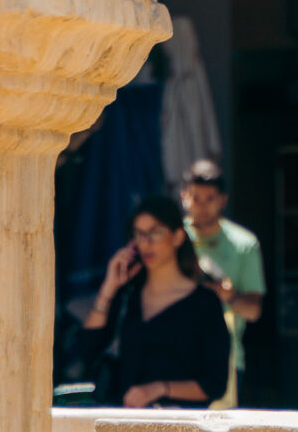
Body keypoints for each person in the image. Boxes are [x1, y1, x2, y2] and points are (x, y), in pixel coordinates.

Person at [79, 192, 232, 409]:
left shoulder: (205, 304)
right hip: (120, 425)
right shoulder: (126, 296)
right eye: (140, 234)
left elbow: (215, 384)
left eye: (156, 233)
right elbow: (86, 351)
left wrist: (159, 388)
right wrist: (109, 287)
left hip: (179, 431)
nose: (147, 242)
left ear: (177, 237)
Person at [182, 158, 266, 406]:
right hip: (177, 351)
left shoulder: (244, 244)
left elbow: (253, 311)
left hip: (225, 358)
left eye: (210, 198)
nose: (203, 206)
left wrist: (228, 295)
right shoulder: (170, 239)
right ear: (184, 197)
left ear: (223, 200)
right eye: (196, 198)